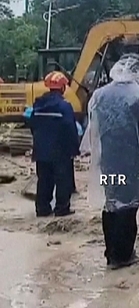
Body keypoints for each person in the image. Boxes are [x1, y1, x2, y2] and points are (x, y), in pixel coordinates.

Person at [82, 55, 139, 270]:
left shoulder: (99, 95)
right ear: (137, 72)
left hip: (108, 161)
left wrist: (94, 154)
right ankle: (124, 255)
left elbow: (93, 128)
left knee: (111, 202)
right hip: (132, 162)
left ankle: (111, 253)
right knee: (129, 207)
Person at [27, 71, 80, 217]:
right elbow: (70, 128)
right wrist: (75, 149)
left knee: (44, 180)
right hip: (60, 151)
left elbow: (32, 124)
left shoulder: (38, 104)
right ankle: (61, 209)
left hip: (41, 151)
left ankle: (42, 209)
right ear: (63, 87)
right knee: (63, 180)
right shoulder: (64, 106)